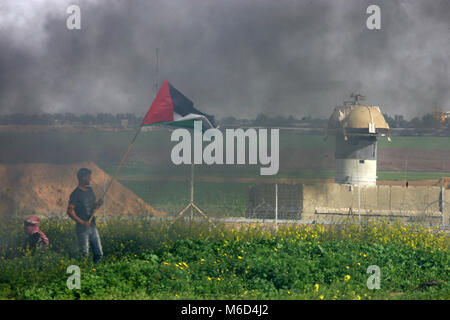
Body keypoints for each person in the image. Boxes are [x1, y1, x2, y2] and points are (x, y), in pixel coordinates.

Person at [67, 168, 104, 263]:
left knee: (99, 253)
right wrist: (82, 222)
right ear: (83, 178)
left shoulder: (90, 190)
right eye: (88, 177)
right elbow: (70, 212)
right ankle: (84, 272)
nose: (90, 179)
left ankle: (97, 273)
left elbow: (93, 207)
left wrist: (98, 204)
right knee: (84, 254)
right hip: (82, 229)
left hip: (93, 226)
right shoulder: (75, 194)